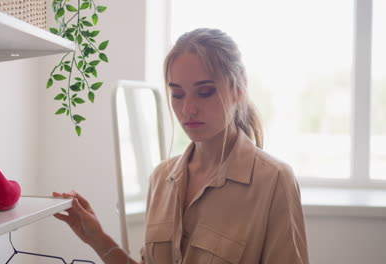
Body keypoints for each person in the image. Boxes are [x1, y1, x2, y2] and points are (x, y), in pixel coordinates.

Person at [54, 28, 309, 264]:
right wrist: (96, 237)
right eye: (177, 94)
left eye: (205, 92)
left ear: (239, 89)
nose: (187, 109)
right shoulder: (161, 178)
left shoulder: (274, 180)